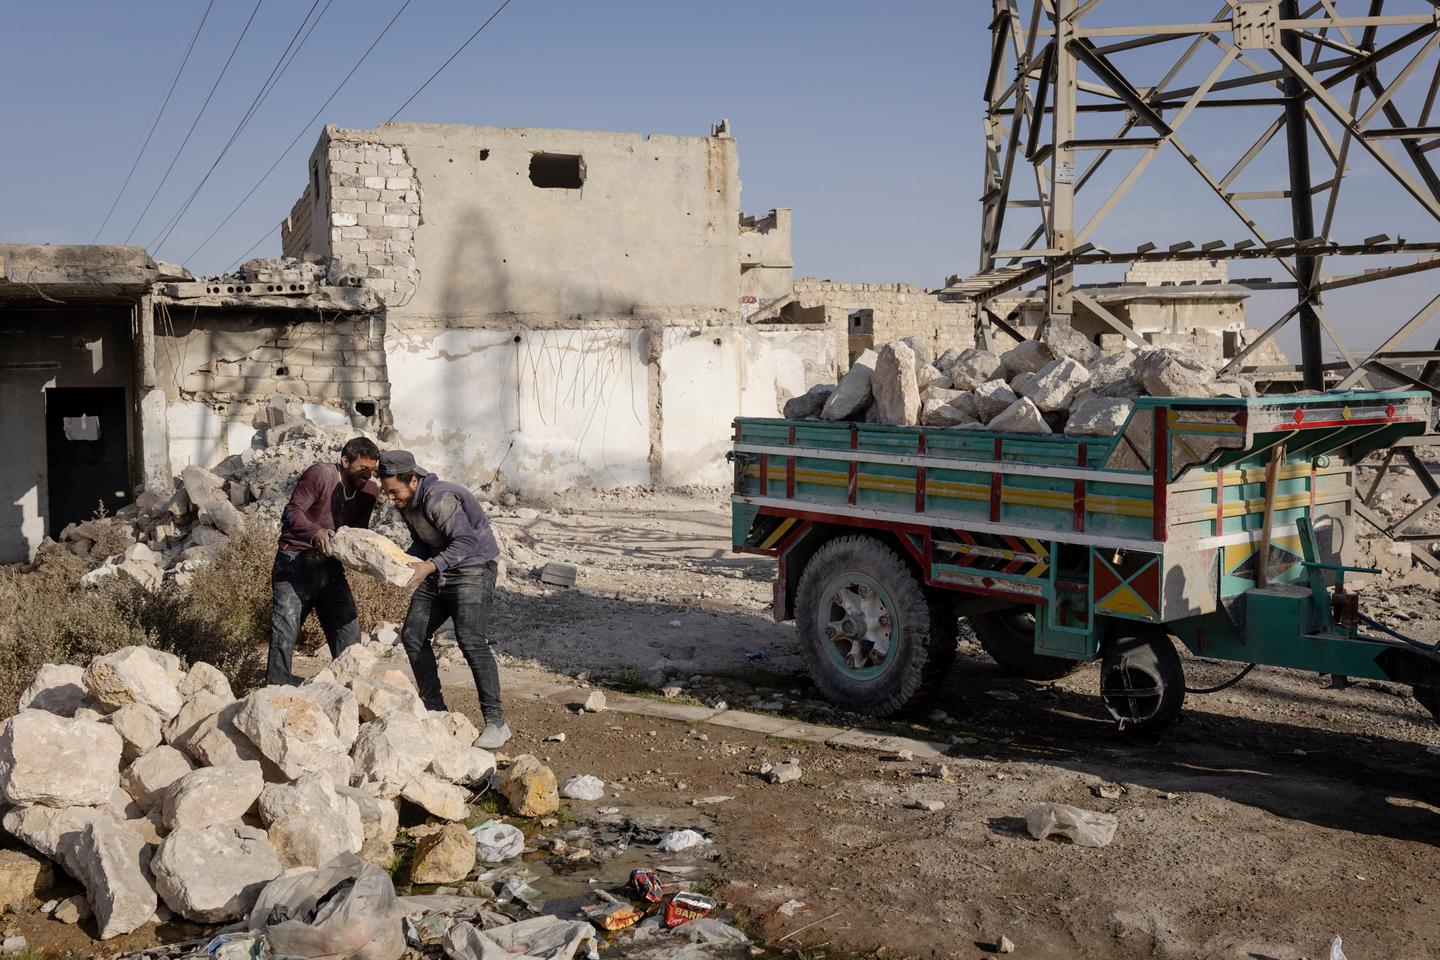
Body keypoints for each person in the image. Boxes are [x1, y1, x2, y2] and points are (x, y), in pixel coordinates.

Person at [376, 450, 510, 749]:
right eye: (385, 492)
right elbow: (425, 541)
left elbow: (466, 541)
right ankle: (435, 709)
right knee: (413, 635)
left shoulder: (439, 498)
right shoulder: (405, 501)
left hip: (473, 567)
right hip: (439, 566)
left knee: (470, 639)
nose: (390, 498)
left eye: (394, 491)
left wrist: (430, 566)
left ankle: (496, 722)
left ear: (413, 480)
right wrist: (399, 562)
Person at [267, 436, 382, 685]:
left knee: (348, 632)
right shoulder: (320, 475)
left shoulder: (370, 491)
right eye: (363, 469)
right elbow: (291, 512)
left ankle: (351, 692)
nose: (368, 476)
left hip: (331, 567)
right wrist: (315, 533)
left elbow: (358, 531)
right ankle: (275, 690)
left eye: (372, 470)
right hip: (295, 561)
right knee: (285, 630)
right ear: (344, 461)